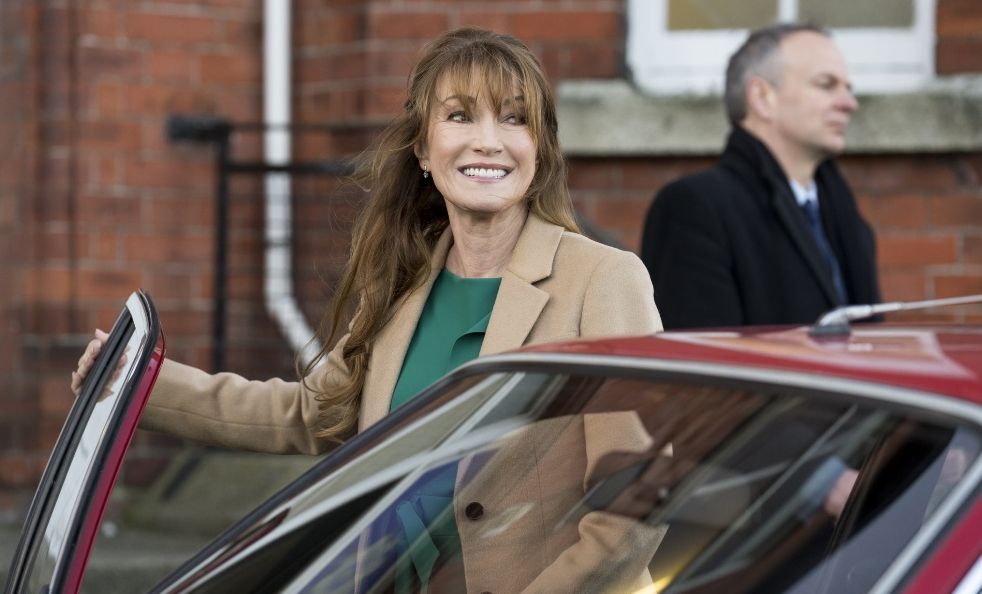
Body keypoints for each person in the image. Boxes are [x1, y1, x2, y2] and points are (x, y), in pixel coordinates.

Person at [72, 27, 664, 593]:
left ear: (540, 149)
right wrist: (138, 385)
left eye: (515, 119)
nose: (489, 140)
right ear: (424, 150)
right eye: (460, 116)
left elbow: (633, 505)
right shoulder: (403, 287)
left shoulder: (604, 280)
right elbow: (309, 412)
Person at [639, 23, 881, 329]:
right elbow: (699, 363)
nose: (849, 103)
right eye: (826, 84)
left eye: (848, 88)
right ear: (762, 97)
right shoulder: (695, 208)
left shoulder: (847, 219)